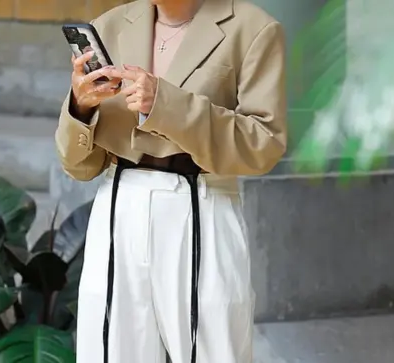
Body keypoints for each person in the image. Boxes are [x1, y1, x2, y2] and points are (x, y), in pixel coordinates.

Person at [55, 0, 286, 362]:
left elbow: (263, 145)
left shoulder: (254, 29)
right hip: (118, 205)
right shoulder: (111, 25)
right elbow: (78, 165)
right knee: (109, 352)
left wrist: (166, 105)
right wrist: (80, 108)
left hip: (202, 203)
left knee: (214, 351)